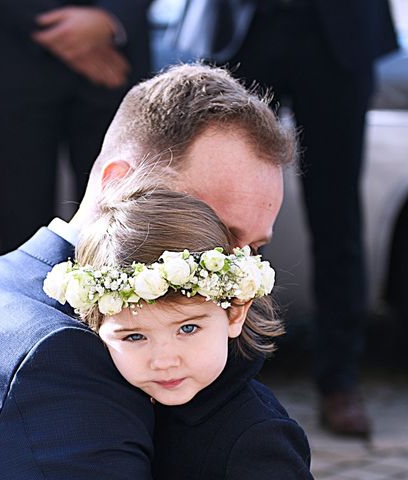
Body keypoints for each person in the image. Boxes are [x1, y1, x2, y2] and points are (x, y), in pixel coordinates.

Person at [0, 63, 295, 478]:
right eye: (215, 229)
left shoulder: (20, 280)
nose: (235, 271)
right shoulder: (62, 351)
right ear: (118, 183)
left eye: (252, 247)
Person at [171, 0, 398, 437]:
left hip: (336, 29)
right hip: (241, 23)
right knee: (225, 212)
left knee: (338, 213)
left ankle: (340, 379)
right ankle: (223, 375)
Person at [44, 183, 313, 478]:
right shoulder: (105, 405)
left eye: (187, 328)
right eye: (134, 336)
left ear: (234, 312)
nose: (164, 360)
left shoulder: (257, 440)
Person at [0, 0, 152, 253]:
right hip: (15, 58)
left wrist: (111, 17)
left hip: (116, 61)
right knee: (19, 222)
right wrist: (63, 32)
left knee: (118, 219)